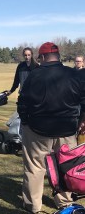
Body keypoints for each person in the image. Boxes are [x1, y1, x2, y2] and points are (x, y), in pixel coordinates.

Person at [17, 42, 85, 213]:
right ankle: (65, 202)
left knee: (35, 167)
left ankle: (33, 205)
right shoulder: (73, 74)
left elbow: (22, 103)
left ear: (43, 57)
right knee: (65, 166)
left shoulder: (34, 75)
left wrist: (25, 122)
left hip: (38, 130)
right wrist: (82, 120)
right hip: (67, 130)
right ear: (58, 56)